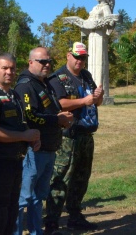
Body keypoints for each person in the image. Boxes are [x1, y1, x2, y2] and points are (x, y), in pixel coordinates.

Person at [0, 53, 41, 235]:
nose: (9, 72)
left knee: (11, 213)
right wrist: (24, 136)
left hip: (15, 161)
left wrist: (33, 137)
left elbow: (21, 124)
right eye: (5, 68)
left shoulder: (14, 95)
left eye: (12, 68)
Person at [45, 42, 103, 233]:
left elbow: (95, 101)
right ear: (68, 55)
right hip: (68, 137)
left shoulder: (86, 76)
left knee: (81, 178)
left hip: (86, 135)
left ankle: (75, 216)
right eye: (77, 57)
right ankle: (52, 221)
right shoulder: (57, 78)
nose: (80, 61)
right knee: (60, 178)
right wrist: (84, 101)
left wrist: (98, 96)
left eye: (83, 57)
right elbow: (58, 104)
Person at [14, 47, 73, 235]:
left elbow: (50, 110)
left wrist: (60, 118)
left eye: (49, 61)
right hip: (33, 150)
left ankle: (35, 231)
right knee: (23, 198)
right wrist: (57, 119)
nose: (47, 65)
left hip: (49, 148)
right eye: (42, 61)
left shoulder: (45, 83)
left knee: (39, 197)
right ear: (31, 62)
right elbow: (30, 116)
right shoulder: (25, 85)